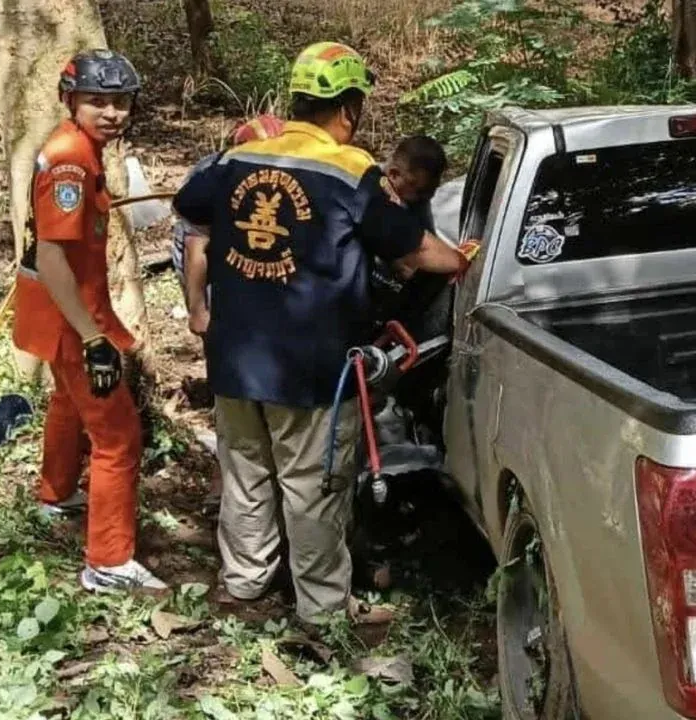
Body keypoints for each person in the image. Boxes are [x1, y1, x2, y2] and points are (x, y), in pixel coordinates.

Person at [171, 41, 472, 625]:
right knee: (313, 487)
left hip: (234, 355)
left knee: (247, 473)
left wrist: (198, 304)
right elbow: (413, 251)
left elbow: (190, 212)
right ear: (349, 109)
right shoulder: (351, 170)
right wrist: (461, 262)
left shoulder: (238, 158)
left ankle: (245, 582)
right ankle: (324, 612)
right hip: (311, 370)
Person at [11, 48, 168, 593]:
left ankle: (56, 493)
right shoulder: (71, 160)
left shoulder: (77, 147)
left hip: (55, 310)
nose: (111, 112)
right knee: (119, 435)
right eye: (97, 101)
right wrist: (94, 338)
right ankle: (108, 560)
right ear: (70, 100)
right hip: (70, 317)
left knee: (66, 403)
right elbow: (53, 255)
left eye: (120, 102)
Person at [171, 114, 285, 512]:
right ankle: (226, 486)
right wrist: (198, 308)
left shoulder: (286, 174)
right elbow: (194, 251)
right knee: (232, 397)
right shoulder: (214, 180)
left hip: (263, 294)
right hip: (222, 292)